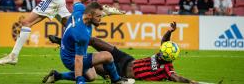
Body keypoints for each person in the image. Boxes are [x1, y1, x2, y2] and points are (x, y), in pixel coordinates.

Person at [47, 22, 199, 83]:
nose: (159, 53)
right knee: (93, 40)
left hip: (120, 72)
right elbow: (164, 42)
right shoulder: (163, 52)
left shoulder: (167, 69)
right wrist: (169, 31)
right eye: (161, 52)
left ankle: (58, 75)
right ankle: (64, 41)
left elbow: (176, 77)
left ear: (168, 58)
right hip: (125, 57)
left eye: (162, 54)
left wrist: (190, 81)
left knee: (88, 71)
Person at [43, 0, 134, 84]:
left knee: (91, 77)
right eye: (98, 16)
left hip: (66, 51)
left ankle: (57, 75)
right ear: (90, 16)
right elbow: (78, 59)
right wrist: (79, 80)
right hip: (71, 59)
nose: (101, 19)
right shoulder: (81, 33)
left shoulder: (80, 11)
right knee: (108, 56)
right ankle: (116, 80)